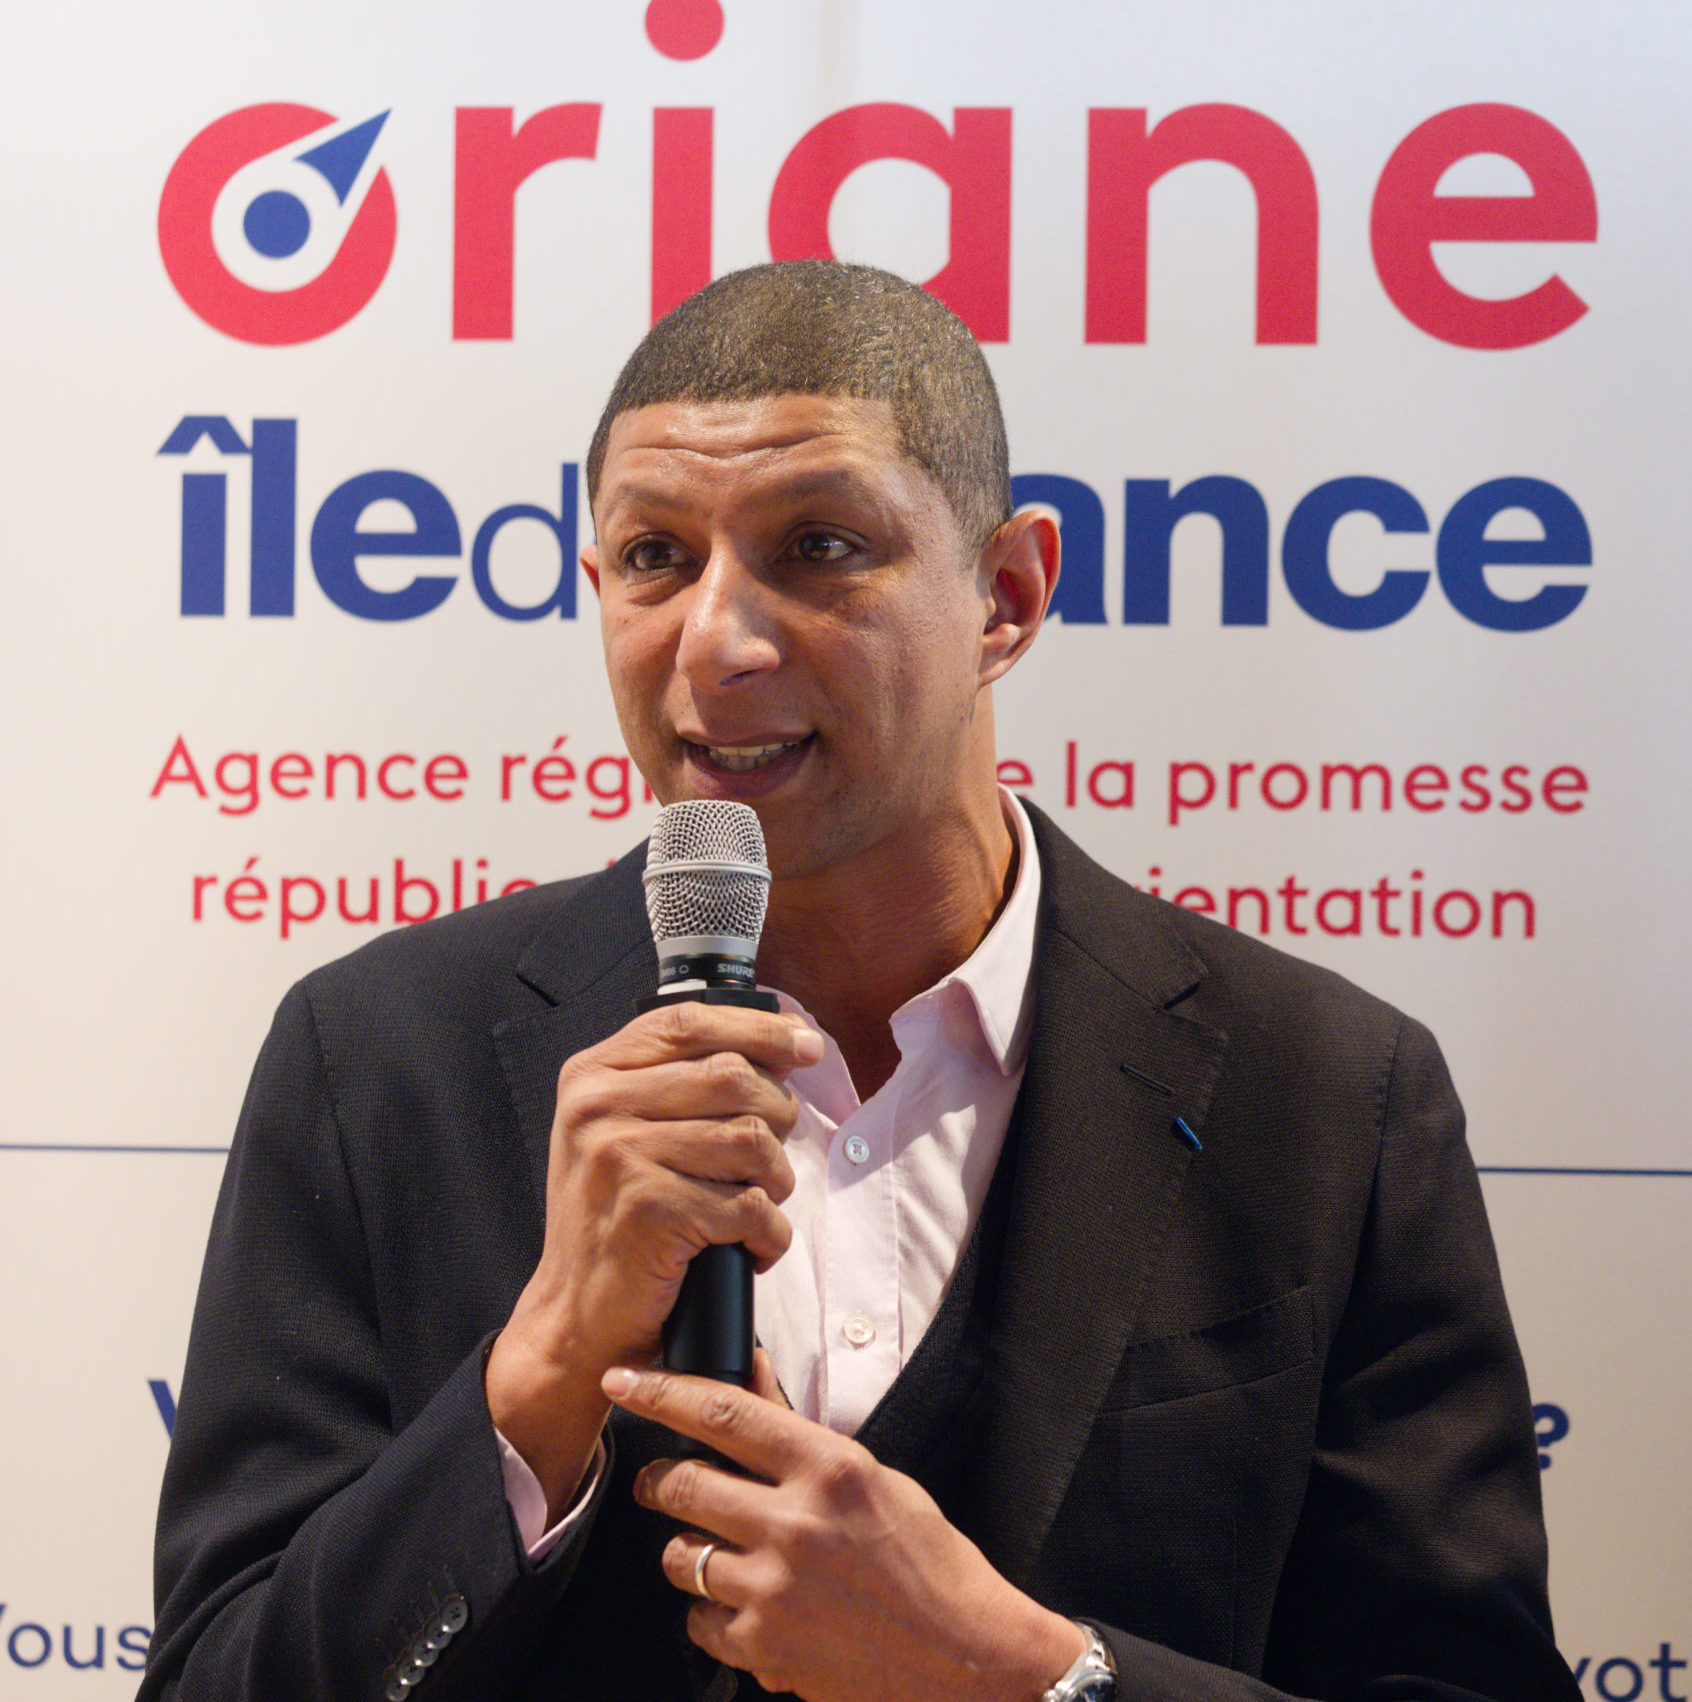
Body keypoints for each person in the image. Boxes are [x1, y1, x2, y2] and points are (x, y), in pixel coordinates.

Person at [144, 261, 1581, 1702]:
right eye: (654, 557)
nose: (716, 639)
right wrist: (535, 1381)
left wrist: (1026, 1671)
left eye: (819, 544)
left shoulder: (1330, 1096)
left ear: (1006, 593)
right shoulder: (378, 1058)